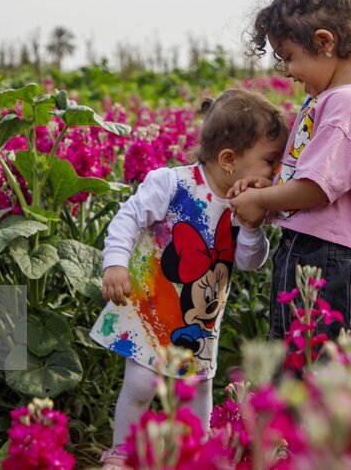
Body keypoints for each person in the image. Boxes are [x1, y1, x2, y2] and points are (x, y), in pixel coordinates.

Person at [91, 89, 289, 468]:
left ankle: (200, 453)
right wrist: (115, 263)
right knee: (140, 386)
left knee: (198, 390)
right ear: (229, 159)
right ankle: (122, 452)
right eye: (269, 161)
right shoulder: (172, 183)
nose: (275, 171)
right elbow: (128, 218)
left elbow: (249, 262)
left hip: (199, 321)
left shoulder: (243, 204)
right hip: (151, 307)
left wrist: (250, 227)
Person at [229, 0, 351, 343]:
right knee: (301, 354)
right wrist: (271, 190)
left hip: (324, 254)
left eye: (289, 58)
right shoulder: (336, 98)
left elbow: (317, 189)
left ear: (324, 42)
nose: (288, 72)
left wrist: (261, 202)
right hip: (321, 246)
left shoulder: (347, 104)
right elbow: (315, 176)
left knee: (305, 361)